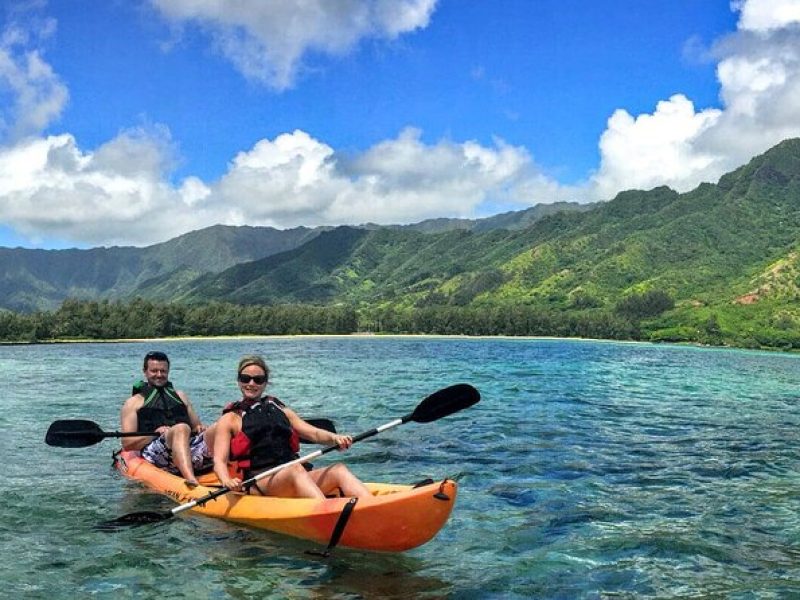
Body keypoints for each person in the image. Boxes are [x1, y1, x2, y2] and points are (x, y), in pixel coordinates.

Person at [212, 355, 371, 499]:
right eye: (246, 378)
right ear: (239, 380)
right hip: (261, 483)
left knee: (338, 470)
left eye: (258, 380)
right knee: (295, 469)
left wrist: (334, 438)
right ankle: (326, 513)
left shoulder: (279, 408)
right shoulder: (230, 419)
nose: (251, 384)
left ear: (265, 383)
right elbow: (219, 460)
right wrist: (226, 480)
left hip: (294, 475)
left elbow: (313, 433)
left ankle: (373, 509)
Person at [120, 351, 212, 486]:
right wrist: (155, 434)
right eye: (154, 371)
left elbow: (197, 427)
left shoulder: (180, 396)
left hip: (188, 447)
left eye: (163, 371)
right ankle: (190, 479)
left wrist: (201, 428)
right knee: (181, 427)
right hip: (154, 451)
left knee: (219, 427)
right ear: (145, 371)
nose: (159, 375)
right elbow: (127, 444)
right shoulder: (133, 403)